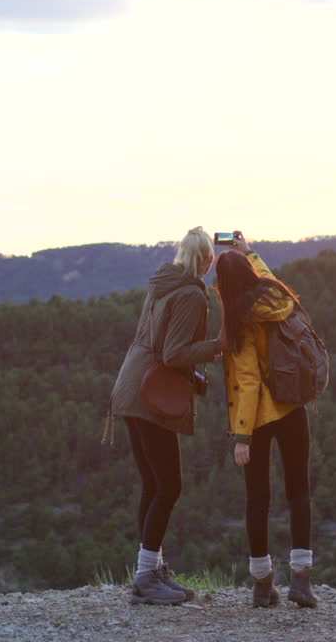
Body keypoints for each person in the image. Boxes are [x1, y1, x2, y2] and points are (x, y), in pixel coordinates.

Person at [107, 226, 221, 605]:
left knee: (153, 484)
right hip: (151, 395)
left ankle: (151, 569)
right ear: (207, 260)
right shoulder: (191, 293)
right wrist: (218, 346)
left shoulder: (162, 284)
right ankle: (145, 577)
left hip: (130, 387)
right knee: (169, 486)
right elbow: (174, 353)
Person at [214, 231, 319, 608]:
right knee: (299, 493)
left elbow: (247, 381)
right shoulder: (277, 299)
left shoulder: (238, 320)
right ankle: (302, 583)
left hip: (257, 420)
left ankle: (262, 585)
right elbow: (270, 281)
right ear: (249, 271)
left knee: (258, 501)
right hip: (292, 408)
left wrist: (241, 437)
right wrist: (250, 253)